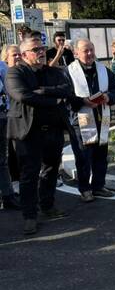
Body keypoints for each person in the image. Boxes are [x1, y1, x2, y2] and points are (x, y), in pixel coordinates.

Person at [6, 37, 73, 235]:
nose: (41, 52)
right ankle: (30, 216)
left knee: (51, 170)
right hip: (27, 132)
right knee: (29, 174)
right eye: (36, 49)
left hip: (52, 129)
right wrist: (54, 100)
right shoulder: (15, 72)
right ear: (24, 55)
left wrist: (44, 91)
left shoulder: (54, 71)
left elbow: (67, 90)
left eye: (42, 48)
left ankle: (48, 205)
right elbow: (23, 96)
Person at [66, 39, 115, 202]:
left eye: (91, 50)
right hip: (81, 119)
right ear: (76, 53)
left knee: (100, 154)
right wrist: (83, 101)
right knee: (84, 156)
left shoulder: (103, 70)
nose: (89, 54)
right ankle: (84, 188)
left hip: (101, 117)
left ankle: (98, 186)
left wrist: (108, 97)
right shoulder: (68, 72)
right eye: (85, 51)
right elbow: (65, 97)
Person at [0, 56, 19, 210]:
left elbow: (10, 91)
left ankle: (8, 196)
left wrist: (7, 111)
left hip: (1, 115)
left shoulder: (1, 66)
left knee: (1, 160)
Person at [1, 45, 22, 182]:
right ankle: (15, 179)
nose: (18, 57)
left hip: (22, 115)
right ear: (6, 58)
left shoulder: (24, 71)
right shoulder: (4, 70)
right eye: (14, 55)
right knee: (11, 149)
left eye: (19, 54)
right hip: (8, 115)